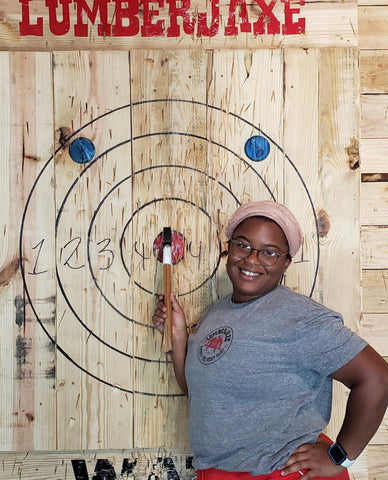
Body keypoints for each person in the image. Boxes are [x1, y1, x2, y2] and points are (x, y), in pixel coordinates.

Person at [152, 201, 388, 480]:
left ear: (286, 262)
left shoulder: (300, 318)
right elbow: (201, 395)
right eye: (243, 245)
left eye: (269, 253)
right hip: (218, 471)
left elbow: (377, 378)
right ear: (229, 249)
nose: (252, 260)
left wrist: (341, 456)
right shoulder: (216, 315)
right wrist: (179, 338)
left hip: (278, 473)